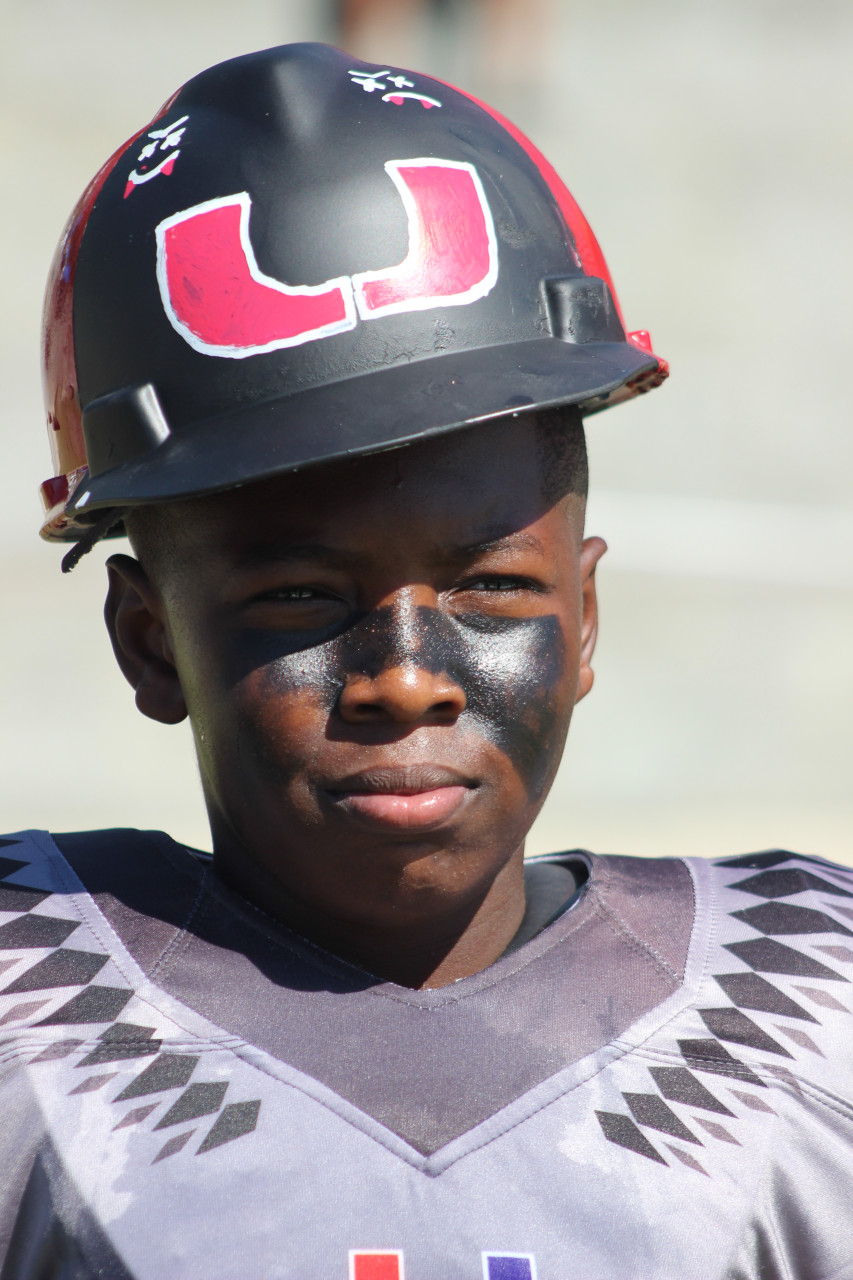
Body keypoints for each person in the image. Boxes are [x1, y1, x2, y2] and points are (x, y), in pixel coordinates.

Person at [4, 41, 852, 1280]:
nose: (406, 677)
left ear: (586, 616)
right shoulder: (32, 1023)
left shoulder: (810, 1021)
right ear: (149, 638)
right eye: (299, 595)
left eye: (492, 587)